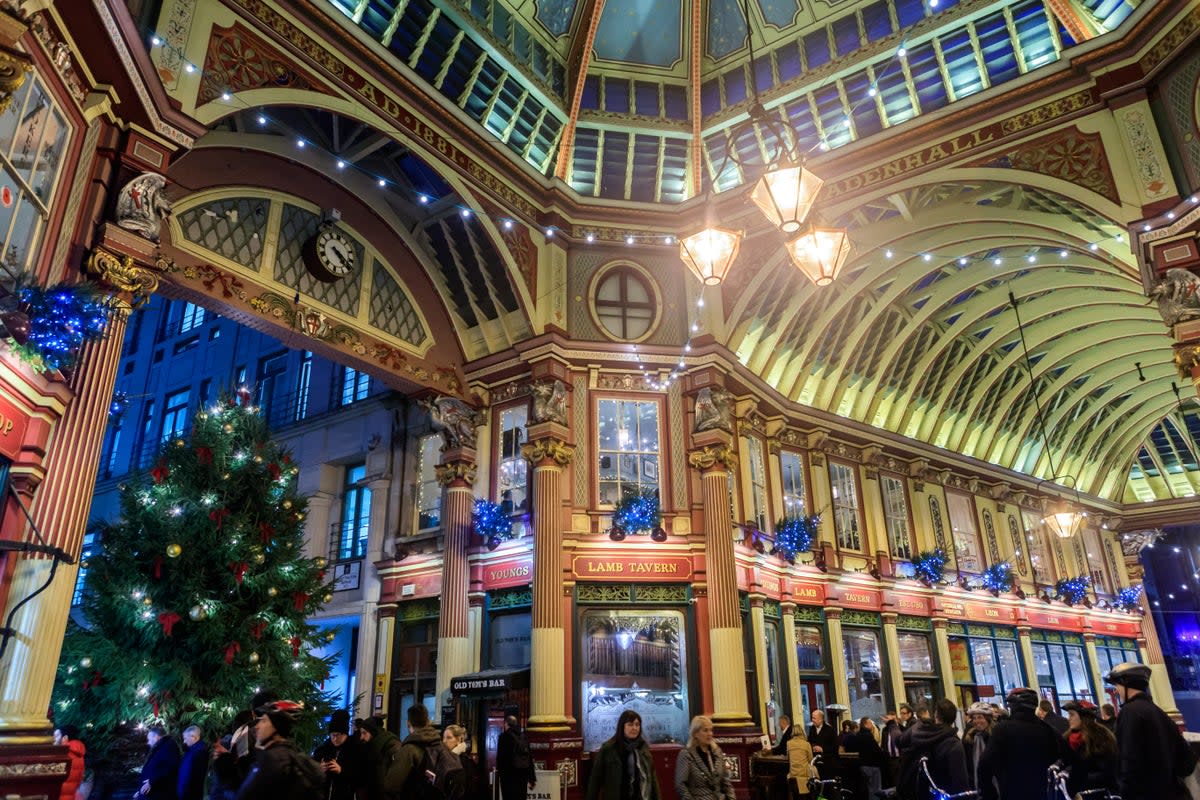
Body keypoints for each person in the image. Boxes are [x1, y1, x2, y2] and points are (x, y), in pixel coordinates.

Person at [1105, 661, 1197, 800]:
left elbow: (1129, 763)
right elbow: (1186, 764)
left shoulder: (1130, 712)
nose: (1116, 690)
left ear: (1126, 684)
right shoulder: (1160, 713)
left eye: (1117, 685)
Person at [976, 688, 1064, 800]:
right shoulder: (1047, 729)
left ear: (1014, 706)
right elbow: (1068, 759)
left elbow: (984, 765)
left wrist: (989, 794)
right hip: (1041, 793)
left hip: (1011, 792)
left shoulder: (1002, 729)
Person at [360, 706, 459, 800]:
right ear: (428, 721)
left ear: (408, 723)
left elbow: (390, 786)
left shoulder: (409, 749)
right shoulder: (441, 746)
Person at [235, 700, 324, 800]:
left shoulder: (274, 759)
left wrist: (222, 764)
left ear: (276, 728)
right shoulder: (287, 753)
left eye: (264, 721)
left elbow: (245, 795)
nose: (257, 726)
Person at [896, 699, 968, 799]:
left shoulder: (922, 733)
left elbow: (900, 741)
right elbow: (960, 781)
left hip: (921, 792)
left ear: (936, 715)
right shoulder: (954, 743)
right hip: (944, 794)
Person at [213, 689, 279, 800]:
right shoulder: (281, 736)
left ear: (253, 713)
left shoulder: (248, 732)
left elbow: (235, 765)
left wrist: (224, 758)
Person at [585, 709, 661, 800]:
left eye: (637, 725)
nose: (634, 728)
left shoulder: (642, 748)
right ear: (622, 727)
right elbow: (595, 781)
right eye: (630, 724)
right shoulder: (609, 749)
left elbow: (652, 779)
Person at [1061, 700, 1118, 797]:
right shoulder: (1066, 738)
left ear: (1083, 717)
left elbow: (1108, 771)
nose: (1068, 718)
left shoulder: (1101, 737)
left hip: (1097, 793)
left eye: (1072, 715)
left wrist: (1078, 777)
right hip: (1073, 793)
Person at [675, 716, 735, 800]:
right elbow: (681, 785)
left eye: (711, 730)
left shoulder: (717, 752)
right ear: (695, 733)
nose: (710, 734)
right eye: (705, 730)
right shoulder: (686, 754)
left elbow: (726, 782)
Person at [313, 710, 362, 800]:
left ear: (345, 734)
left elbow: (360, 778)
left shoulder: (355, 749)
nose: (335, 739)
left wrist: (341, 771)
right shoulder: (322, 750)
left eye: (338, 735)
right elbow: (311, 775)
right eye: (332, 735)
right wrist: (319, 769)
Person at [496, 715, 536, 800]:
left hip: (508, 776)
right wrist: (532, 778)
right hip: (522, 774)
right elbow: (529, 757)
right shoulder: (523, 737)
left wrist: (500, 774)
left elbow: (500, 758)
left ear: (506, 724)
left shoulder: (503, 737)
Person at [138, 725, 181, 800]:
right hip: (155, 792)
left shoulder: (168, 747)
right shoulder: (162, 747)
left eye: (149, 739)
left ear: (156, 737)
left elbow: (169, 767)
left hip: (161, 793)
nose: (148, 742)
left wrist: (152, 780)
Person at [444, 724, 485, 800]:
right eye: (444, 737)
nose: (445, 741)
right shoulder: (445, 758)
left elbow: (466, 791)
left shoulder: (464, 762)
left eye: (449, 738)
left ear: (459, 740)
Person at [961, 703, 993, 792]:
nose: (976, 721)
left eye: (980, 717)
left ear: (988, 719)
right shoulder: (969, 738)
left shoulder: (995, 737)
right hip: (975, 786)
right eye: (974, 718)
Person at [851, 717, 885, 799]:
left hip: (863, 765)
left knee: (868, 788)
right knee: (875, 789)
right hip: (872, 765)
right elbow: (876, 750)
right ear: (865, 724)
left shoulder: (858, 735)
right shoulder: (868, 735)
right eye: (870, 723)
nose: (872, 725)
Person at [54, 725, 86, 800]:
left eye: (56, 736)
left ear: (65, 738)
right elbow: (79, 779)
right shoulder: (78, 753)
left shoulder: (63, 755)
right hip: (71, 796)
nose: (53, 739)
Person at [177, 725, 209, 800]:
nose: (184, 741)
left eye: (185, 738)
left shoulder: (199, 752)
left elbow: (191, 777)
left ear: (193, 737)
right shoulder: (193, 751)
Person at [805, 710, 838, 780]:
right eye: (812, 718)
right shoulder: (812, 729)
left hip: (828, 763)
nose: (812, 720)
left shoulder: (830, 730)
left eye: (814, 718)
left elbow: (835, 747)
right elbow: (809, 742)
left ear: (821, 719)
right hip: (815, 763)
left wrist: (822, 749)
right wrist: (811, 747)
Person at [785, 728, 815, 798]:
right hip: (804, 775)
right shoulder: (806, 744)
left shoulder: (788, 743)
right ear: (802, 732)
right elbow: (811, 760)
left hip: (793, 775)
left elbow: (788, 758)